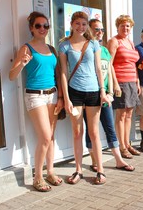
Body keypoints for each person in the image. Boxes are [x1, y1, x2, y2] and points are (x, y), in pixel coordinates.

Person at [9, 11, 63, 192]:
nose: (43, 29)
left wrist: (61, 97)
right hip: (35, 95)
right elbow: (11, 76)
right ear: (31, 28)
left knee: (51, 137)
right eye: (38, 25)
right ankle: (38, 177)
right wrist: (22, 63)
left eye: (46, 25)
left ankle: (51, 171)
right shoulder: (26, 48)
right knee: (45, 137)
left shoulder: (51, 48)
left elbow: (57, 75)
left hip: (53, 95)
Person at [59, 11, 109, 185]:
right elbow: (63, 73)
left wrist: (103, 91)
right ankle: (78, 170)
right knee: (77, 132)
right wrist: (66, 98)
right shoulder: (64, 46)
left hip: (93, 91)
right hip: (74, 93)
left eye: (83, 24)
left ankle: (100, 170)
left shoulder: (93, 44)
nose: (80, 27)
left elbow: (98, 69)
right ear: (71, 24)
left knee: (94, 132)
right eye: (77, 23)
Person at [84, 18, 135, 172]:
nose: (100, 33)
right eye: (96, 29)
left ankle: (118, 159)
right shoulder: (86, 49)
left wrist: (112, 88)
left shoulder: (104, 49)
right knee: (91, 129)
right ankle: (93, 159)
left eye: (102, 30)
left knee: (109, 126)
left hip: (105, 93)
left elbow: (110, 68)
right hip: (91, 93)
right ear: (89, 30)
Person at [107, 15, 141, 159]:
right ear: (117, 26)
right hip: (120, 82)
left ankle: (127, 144)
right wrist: (114, 83)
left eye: (128, 26)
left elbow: (133, 64)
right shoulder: (114, 41)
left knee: (129, 115)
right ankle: (121, 146)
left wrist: (137, 80)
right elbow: (109, 63)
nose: (125, 28)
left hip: (132, 81)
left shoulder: (130, 43)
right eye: (122, 25)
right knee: (120, 116)